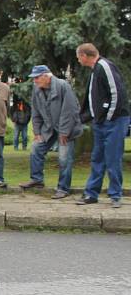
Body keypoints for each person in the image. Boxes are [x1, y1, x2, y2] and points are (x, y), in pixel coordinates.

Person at [75, 43, 129, 208]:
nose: (78, 60)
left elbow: (117, 92)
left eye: (78, 57)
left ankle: (115, 195)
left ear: (84, 55)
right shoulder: (95, 70)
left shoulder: (104, 66)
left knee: (112, 158)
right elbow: (94, 100)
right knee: (97, 158)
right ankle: (92, 193)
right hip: (100, 122)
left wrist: (109, 117)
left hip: (114, 121)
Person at [18, 65, 83, 199]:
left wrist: (64, 132)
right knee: (36, 148)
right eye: (34, 78)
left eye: (37, 78)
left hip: (66, 128)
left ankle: (63, 188)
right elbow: (35, 111)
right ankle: (37, 180)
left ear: (47, 76)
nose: (34, 81)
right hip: (48, 128)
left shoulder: (63, 86)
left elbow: (70, 111)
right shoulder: (37, 89)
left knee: (64, 158)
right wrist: (37, 132)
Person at [9, 85, 31, 150]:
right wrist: (13, 120)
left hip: (24, 123)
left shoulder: (26, 106)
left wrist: (27, 121)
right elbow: (11, 113)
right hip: (17, 123)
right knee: (16, 136)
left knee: (25, 137)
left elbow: (29, 114)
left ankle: (24, 147)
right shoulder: (15, 106)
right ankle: (15, 147)